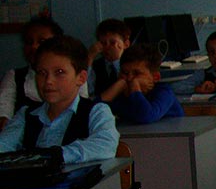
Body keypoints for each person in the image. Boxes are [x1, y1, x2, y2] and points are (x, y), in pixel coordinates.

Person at [0, 34, 119, 163]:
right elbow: (3, 146)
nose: (48, 81)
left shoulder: (96, 111)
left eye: (59, 72)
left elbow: (105, 145)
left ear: (81, 78)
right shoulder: (26, 114)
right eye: (42, 73)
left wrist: (54, 155)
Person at [0, 16, 64, 129]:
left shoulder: (73, 75)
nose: (34, 46)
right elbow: (4, 117)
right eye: (29, 42)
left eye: (41, 41)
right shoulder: (14, 77)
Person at [102, 42, 184, 123]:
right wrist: (116, 88)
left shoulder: (164, 92)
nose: (130, 78)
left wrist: (135, 88)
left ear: (155, 77)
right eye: (125, 73)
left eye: (137, 73)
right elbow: (96, 111)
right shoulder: (122, 93)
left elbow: (146, 116)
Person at [88, 18, 131, 97]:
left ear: (126, 44)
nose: (107, 47)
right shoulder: (95, 66)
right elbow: (87, 90)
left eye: (112, 43)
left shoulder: (132, 65)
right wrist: (90, 57)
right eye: (103, 43)